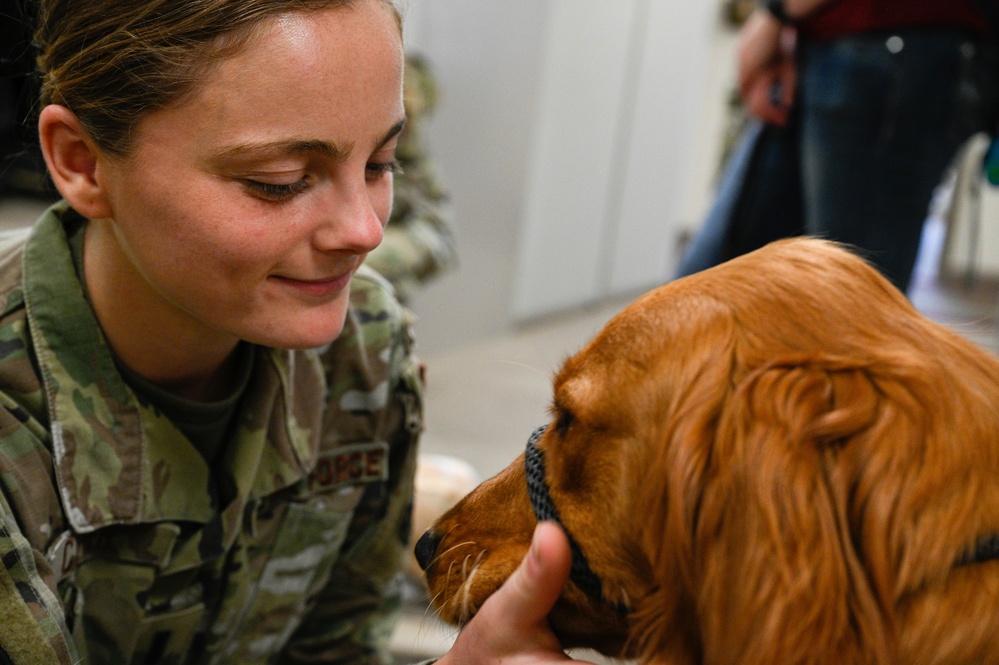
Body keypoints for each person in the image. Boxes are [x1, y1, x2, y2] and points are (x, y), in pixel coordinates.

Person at [0, 1, 587, 663]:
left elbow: (335, 646)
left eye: (380, 164)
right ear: (83, 162)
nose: (364, 230)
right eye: (278, 182)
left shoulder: (360, 349)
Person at [679, 0, 999, 293]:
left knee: (848, 316)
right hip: (841, 43)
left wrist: (776, 13)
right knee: (711, 290)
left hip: (890, 47)